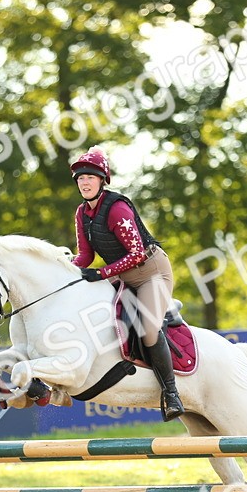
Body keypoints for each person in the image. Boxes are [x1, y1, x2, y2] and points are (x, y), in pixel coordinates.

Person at [68, 146, 184, 421]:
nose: (84, 182)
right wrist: (65, 271)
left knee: (148, 329)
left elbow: (136, 254)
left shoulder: (117, 209)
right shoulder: (81, 213)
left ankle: (171, 393)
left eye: (90, 178)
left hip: (151, 273)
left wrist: (102, 273)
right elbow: (85, 255)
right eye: (80, 178)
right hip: (121, 274)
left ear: (102, 181)